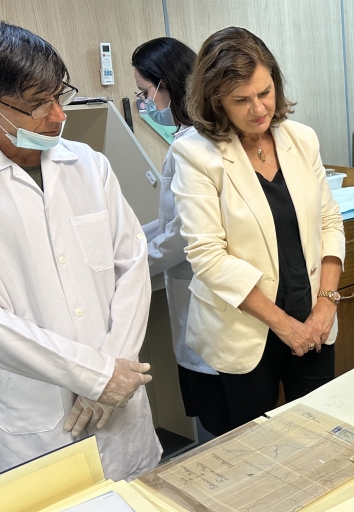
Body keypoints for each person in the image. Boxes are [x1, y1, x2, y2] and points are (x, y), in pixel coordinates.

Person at [0, 21, 160, 480]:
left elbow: (131, 265)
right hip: (38, 417)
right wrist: (91, 377)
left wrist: (110, 373)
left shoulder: (89, 165)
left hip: (120, 401)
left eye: (59, 95)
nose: (57, 115)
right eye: (36, 104)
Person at [171, 27, 345, 431]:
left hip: (314, 319)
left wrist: (326, 303)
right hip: (246, 332)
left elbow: (329, 221)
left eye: (265, 93)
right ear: (216, 101)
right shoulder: (196, 155)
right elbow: (208, 257)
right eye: (241, 100)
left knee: (320, 434)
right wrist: (284, 326)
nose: (258, 109)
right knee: (255, 449)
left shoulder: (301, 140)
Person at [132, 38, 231, 438]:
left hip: (203, 288)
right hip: (212, 287)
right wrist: (132, 240)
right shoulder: (203, 137)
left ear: (165, 84)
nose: (145, 101)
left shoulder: (189, 146)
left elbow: (181, 234)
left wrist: (135, 261)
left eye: (145, 91)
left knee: (218, 409)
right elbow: (170, 220)